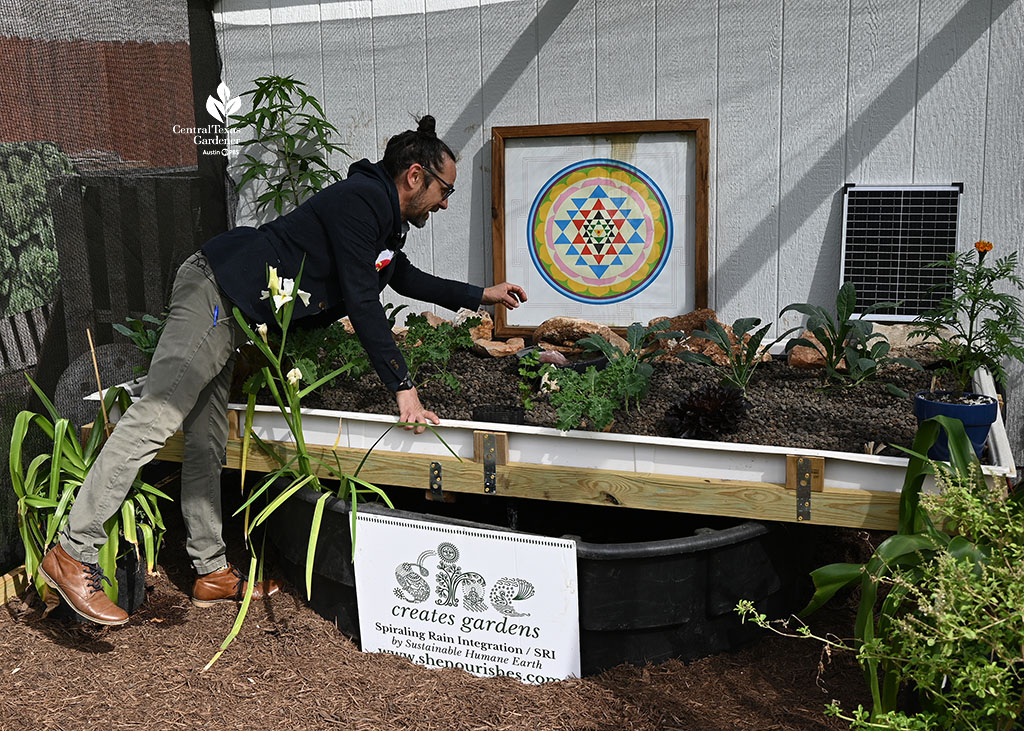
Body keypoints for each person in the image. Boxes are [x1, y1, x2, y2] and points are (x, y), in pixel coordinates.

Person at [39, 115, 528, 625]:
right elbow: (363, 300)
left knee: (206, 440)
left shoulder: (382, 220)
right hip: (217, 295)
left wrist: (480, 295)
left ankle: (210, 570)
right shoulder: (359, 203)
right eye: (445, 189)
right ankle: (74, 550)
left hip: (236, 314)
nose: (446, 202)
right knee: (156, 416)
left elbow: (399, 276)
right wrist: (403, 389)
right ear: (414, 175)